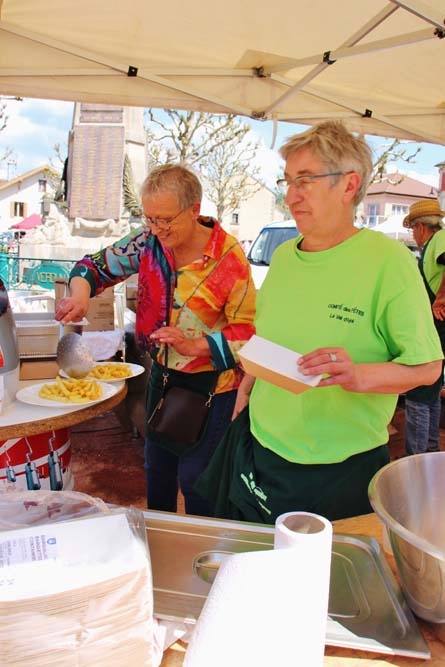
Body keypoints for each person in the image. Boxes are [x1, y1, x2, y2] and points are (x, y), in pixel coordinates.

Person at [196, 120, 443, 523]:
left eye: (305, 180)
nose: (290, 195)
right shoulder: (283, 257)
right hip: (261, 446)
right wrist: (247, 386)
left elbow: (428, 368)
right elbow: (269, 337)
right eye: (288, 181)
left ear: (349, 185)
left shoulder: (389, 262)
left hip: (341, 467)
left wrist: (356, 375)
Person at [55, 163, 256, 516]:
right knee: (157, 472)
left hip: (213, 386)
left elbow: (249, 332)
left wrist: (196, 346)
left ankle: (199, 547)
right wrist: (81, 296)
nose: (157, 229)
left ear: (194, 209)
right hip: (162, 378)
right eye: (150, 219)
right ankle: (156, 540)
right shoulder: (148, 242)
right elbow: (92, 267)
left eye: (166, 220)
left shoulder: (228, 258)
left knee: (197, 481)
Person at [402, 199, 445, 455]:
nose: (414, 237)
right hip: (435, 327)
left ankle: (416, 459)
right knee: (431, 389)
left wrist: (441, 297)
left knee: (418, 390)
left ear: (420, 227)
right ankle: (430, 451)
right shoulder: (433, 244)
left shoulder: (439, 239)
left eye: (413, 230)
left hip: (436, 326)